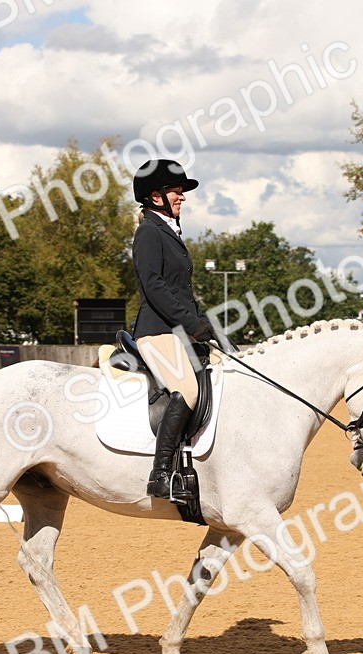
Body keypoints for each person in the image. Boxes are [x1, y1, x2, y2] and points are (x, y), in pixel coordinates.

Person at [130, 158, 219, 503]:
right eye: (177, 191)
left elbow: (180, 289)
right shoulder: (149, 232)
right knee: (188, 390)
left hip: (177, 329)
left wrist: (205, 324)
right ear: (156, 197)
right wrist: (191, 323)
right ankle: (161, 474)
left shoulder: (169, 230)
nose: (183, 197)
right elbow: (154, 286)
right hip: (156, 331)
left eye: (182, 192)